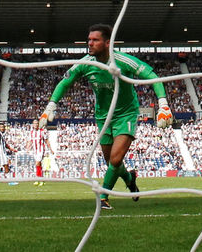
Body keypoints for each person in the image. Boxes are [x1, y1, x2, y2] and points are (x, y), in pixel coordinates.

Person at [37, 23, 174, 210]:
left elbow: (151, 75)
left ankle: (103, 197)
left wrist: (163, 104)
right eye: (89, 40)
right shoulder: (86, 63)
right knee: (111, 162)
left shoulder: (124, 61)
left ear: (107, 43)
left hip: (126, 114)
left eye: (95, 40)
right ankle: (130, 179)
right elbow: (65, 82)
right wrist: (51, 106)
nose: (90, 43)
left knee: (116, 160)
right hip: (103, 117)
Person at [28, 119, 55, 186]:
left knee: (37, 163)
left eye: (37, 123)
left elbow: (46, 141)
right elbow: (30, 141)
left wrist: (51, 149)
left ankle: (38, 179)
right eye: (34, 123)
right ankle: (41, 179)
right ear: (33, 124)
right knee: (38, 165)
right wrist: (28, 148)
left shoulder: (42, 132)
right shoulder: (31, 132)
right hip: (35, 150)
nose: (36, 125)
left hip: (41, 150)